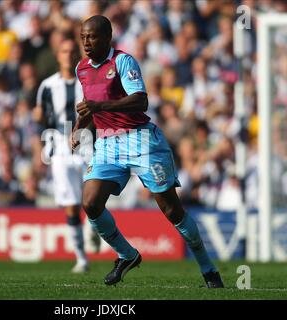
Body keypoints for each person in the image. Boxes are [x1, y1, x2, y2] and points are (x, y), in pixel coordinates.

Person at [71, 15, 224, 288]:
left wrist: (99, 107)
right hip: (107, 143)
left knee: (171, 209)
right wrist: (78, 128)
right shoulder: (81, 68)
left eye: (92, 36)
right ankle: (126, 255)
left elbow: (140, 101)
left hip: (141, 140)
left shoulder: (123, 62)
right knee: (91, 202)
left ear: (108, 37)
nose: (86, 42)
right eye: (83, 36)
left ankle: (208, 269)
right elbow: (89, 107)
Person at [35, 37, 100, 273]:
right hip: (60, 148)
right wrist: (39, 150)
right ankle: (81, 258)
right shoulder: (48, 86)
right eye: (64, 51)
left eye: (72, 51)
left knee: (93, 198)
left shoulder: (88, 83)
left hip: (87, 144)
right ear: (58, 55)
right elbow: (39, 119)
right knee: (71, 205)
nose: (68, 55)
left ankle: (92, 227)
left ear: (77, 55)